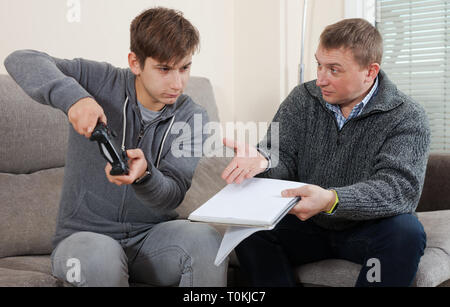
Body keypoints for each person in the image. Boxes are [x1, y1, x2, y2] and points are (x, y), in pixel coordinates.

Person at [4, 7, 227, 287]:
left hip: (152, 238)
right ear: (135, 62)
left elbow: (172, 194)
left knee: (206, 241)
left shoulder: (192, 117)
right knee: (101, 258)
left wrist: (146, 176)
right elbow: (21, 59)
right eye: (164, 69)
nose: (178, 82)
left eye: (185, 68)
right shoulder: (98, 80)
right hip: (84, 240)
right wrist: (75, 99)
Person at [221, 18, 430, 287]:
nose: (320, 79)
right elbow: (281, 154)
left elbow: (399, 189)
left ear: (370, 71)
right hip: (308, 225)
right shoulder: (302, 99)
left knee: (406, 233)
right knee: (248, 229)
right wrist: (263, 161)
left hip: (367, 229)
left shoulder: (407, 116)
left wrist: (332, 200)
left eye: (334, 70)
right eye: (319, 64)